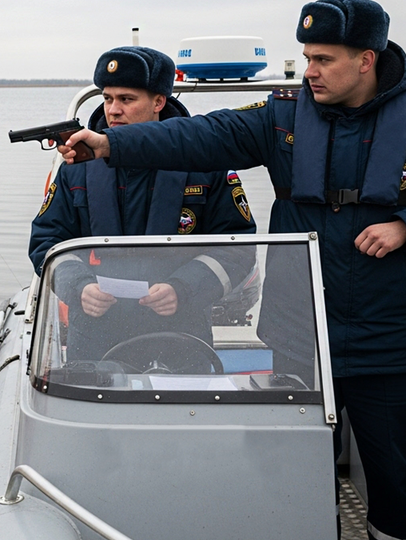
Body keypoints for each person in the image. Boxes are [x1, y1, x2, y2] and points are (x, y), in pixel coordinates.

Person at [57, 1, 406, 537]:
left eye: (322, 59)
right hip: (297, 332)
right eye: (306, 57)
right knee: (283, 469)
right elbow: (200, 136)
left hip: (388, 338)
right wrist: (112, 143)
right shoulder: (281, 115)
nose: (309, 71)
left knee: (397, 476)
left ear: (367, 59)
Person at [30, 46, 256, 365]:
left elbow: (238, 246)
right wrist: (79, 289)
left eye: (126, 99)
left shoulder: (206, 164)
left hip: (182, 335)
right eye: (108, 98)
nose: (113, 110)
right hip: (94, 340)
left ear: (159, 102)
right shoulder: (75, 167)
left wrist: (183, 288)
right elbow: (46, 241)